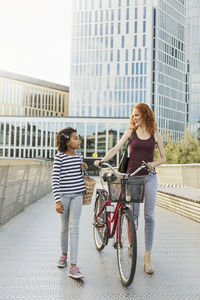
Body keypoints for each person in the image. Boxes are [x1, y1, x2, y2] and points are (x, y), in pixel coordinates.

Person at [94, 103, 166, 274]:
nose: (134, 118)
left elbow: (163, 158)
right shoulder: (130, 132)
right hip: (132, 177)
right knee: (133, 215)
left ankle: (147, 255)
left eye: (137, 115)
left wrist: (153, 164)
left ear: (145, 115)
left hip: (149, 177)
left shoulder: (155, 134)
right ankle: (132, 245)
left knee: (149, 216)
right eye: (133, 115)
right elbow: (116, 148)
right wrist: (103, 160)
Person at [52, 127, 88, 279]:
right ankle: (63, 255)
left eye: (78, 138)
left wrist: (84, 169)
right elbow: (55, 179)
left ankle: (73, 265)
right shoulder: (60, 157)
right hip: (64, 196)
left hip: (77, 195)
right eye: (75, 138)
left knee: (74, 228)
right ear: (67, 142)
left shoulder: (79, 156)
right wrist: (57, 201)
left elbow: (81, 176)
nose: (78, 141)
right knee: (64, 227)